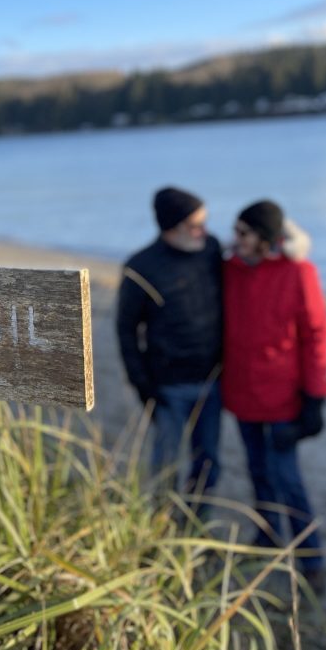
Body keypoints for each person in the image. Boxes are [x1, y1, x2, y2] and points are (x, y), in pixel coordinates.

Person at [222, 199, 326, 592]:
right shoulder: (229, 270)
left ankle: (310, 557)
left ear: (266, 238)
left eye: (244, 233)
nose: (235, 240)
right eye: (235, 231)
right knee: (257, 472)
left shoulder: (299, 273)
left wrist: (316, 399)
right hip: (242, 393)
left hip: (284, 397)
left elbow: (316, 337)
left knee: (288, 479)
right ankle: (268, 537)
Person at [116, 187, 224, 510]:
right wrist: (142, 385)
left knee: (209, 464)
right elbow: (125, 330)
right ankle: (161, 527)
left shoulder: (211, 249)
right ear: (170, 228)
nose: (202, 231)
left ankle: (197, 525)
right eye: (194, 225)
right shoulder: (140, 266)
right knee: (165, 465)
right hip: (166, 387)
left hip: (211, 381)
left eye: (204, 222)